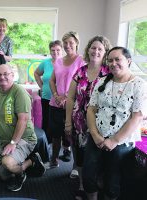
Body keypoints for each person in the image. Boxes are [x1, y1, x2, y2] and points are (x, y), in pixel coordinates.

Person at [83, 46, 147, 200]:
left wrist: (114, 141)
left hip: (121, 142)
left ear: (129, 61)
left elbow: (137, 117)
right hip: (97, 137)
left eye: (117, 59)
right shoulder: (102, 81)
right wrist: (95, 135)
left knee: (113, 181)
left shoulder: (139, 84)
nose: (113, 63)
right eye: (110, 60)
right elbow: (91, 109)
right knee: (88, 175)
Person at [0, 64, 45, 192]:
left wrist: (13, 143)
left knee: (8, 163)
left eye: (6, 74)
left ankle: (22, 173)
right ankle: (33, 160)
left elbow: (23, 119)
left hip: (24, 139)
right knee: (4, 176)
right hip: (4, 140)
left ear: (12, 75)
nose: (2, 77)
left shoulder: (19, 92)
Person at [65, 36, 111, 200]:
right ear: (88, 49)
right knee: (81, 153)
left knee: (97, 156)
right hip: (79, 121)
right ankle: (83, 185)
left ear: (105, 52)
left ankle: (96, 184)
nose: (96, 51)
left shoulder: (109, 73)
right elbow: (70, 97)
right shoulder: (81, 71)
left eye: (100, 49)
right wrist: (68, 122)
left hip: (101, 124)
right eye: (93, 48)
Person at [47, 31, 85, 169]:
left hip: (72, 104)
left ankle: (76, 166)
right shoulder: (58, 61)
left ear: (76, 44)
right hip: (55, 104)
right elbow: (52, 80)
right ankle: (54, 160)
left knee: (72, 136)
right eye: (65, 43)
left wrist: (67, 97)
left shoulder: (81, 60)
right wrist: (56, 96)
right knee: (56, 135)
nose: (67, 45)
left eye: (71, 42)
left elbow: (82, 82)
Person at [34, 40, 63, 143]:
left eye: (58, 50)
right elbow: (36, 73)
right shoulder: (46, 63)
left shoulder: (65, 63)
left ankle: (65, 149)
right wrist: (41, 86)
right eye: (53, 50)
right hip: (46, 97)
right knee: (46, 122)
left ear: (62, 50)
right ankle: (46, 146)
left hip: (61, 100)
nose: (55, 52)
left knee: (60, 125)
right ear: (50, 51)